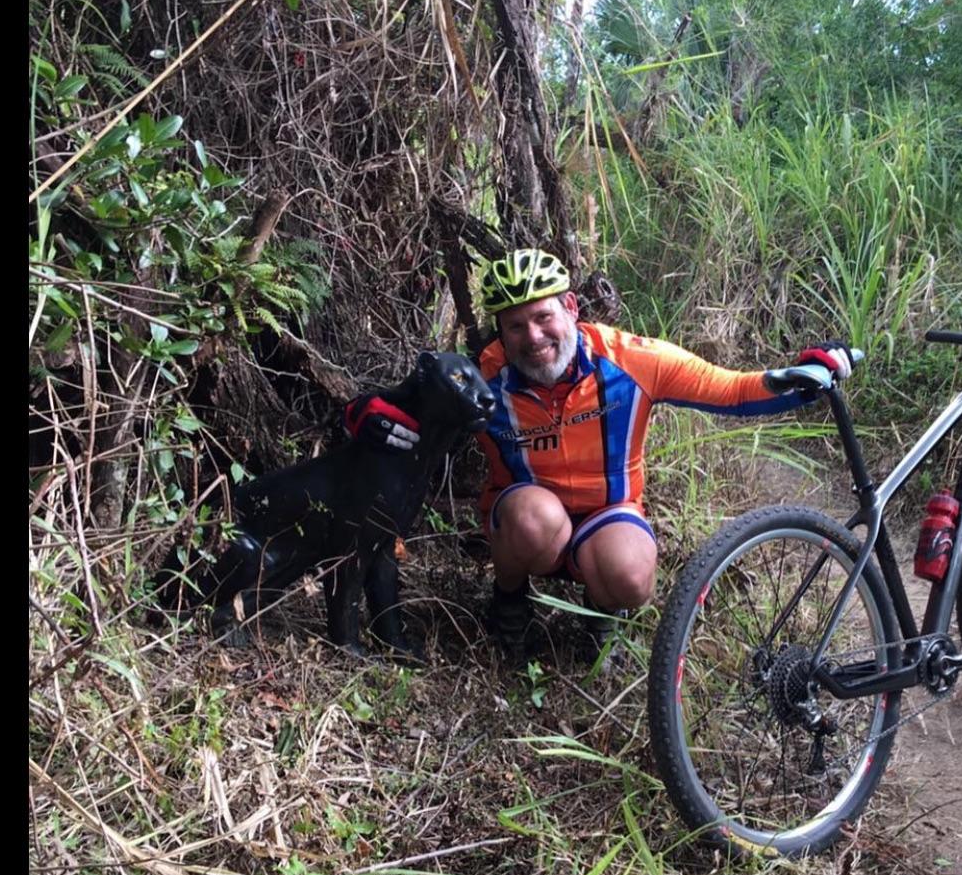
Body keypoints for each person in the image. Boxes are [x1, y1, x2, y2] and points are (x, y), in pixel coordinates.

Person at [344, 248, 852, 657]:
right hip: (527, 522)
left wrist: (808, 375)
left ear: (571, 309)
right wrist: (362, 415)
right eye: (515, 325)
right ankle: (509, 602)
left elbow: (734, 391)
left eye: (543, 317)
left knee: (630, 574)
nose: (533, 338)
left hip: (609, 515)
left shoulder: (632, 360)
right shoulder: (485, 376)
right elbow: (395, 406)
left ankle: (600, 610)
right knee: (533, 516)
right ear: (500, 331)